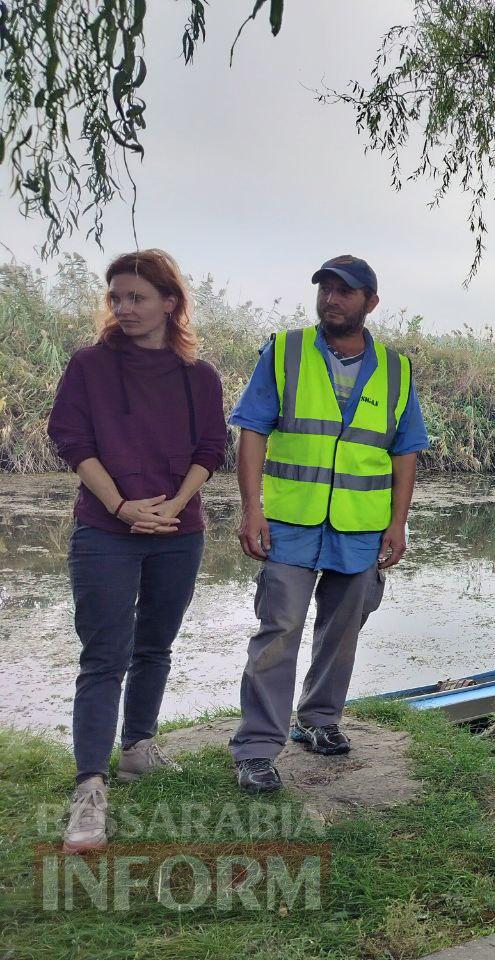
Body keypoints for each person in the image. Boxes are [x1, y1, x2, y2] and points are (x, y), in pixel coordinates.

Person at [48, 250, 227, 852]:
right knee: (104, 655)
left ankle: (139, 750)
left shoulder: (198, 375)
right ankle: (90, 788)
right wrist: (124, 507)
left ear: (170, 303)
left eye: (137, 297)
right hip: (105, 530)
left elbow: (210, 449)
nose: (123, 308)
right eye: (116, 297)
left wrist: (173, 508)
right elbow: (71, 440)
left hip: (179, 531)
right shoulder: (88, 367)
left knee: (156, 644)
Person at [228, 255, 429, 793]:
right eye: (325, 289)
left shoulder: (396, 368)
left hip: (361, 528)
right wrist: (252, 508)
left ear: (371, 302)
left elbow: (405, 451)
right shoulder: (285, 352)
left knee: (342, 631)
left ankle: (318, 722)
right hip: (291, 522)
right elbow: (252, 429)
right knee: (279, 630)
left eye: (345, 291)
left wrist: (398, 523)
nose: (331, 299)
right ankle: (256, 748)